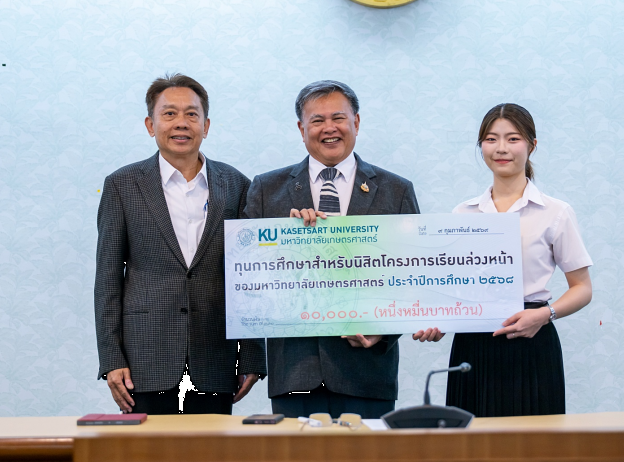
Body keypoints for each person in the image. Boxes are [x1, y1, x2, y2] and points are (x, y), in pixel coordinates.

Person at [243, 80, 420, 419]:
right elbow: (247, 275)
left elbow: (412, 275)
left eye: (338, 118)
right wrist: (286, 243)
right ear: (302, 129)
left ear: (356, 122)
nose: (329, 128)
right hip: (295, 371)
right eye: (317, 120)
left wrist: (383, 330)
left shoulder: (396, 190)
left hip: (368, 372)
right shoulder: (267, 189)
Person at [95, 73, 266, 415]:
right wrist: (111, 358)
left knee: (212, 447)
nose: (181, 123)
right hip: (144, 359)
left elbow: (249, 278)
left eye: (191, 114)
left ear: (206, 125)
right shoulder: (121, 185)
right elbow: (108, 280)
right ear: (151, 124)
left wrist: (251, 356)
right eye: (169, 113)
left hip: (216, 356)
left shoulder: (237, 185)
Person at [414, 103, 593, 417]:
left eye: (513, 139)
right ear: (481, 145)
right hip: (472, 346)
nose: (501, 148)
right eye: (491, 139)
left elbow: (582, 288)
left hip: (532, 340)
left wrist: (544, 315)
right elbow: (454, 287)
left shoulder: (556, 212)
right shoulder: (462, 214)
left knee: (535, 441)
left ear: (532, 145)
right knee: (472, 440)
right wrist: (440, 321)